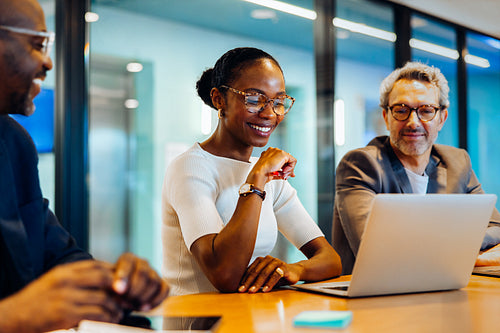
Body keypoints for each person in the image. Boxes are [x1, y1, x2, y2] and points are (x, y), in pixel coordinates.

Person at [0, 1, 169, 332]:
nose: (48, 61)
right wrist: (14, 315)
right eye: (36, 44)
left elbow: (57, 256)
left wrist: (114, 282)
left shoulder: (14, 143)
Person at [162, 47, 341, 296]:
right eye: (254, 99)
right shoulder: (191, 167)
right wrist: (256, 178)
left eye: (278, 102)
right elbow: (224, 274)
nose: (269, 114)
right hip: (199, 323)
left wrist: (293, 270)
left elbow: (330, 259)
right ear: (219, 99)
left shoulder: (269, 173)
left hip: (250, 318)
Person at [332, 61, 500, 275]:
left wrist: (456, 251)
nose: (413, 122)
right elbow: (374, 250)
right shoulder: (361, 164)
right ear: (386, 117)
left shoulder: (457, 162)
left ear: (441, 118)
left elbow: (496, 228)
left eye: (426, 111)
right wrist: (465, 249)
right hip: (375, 295)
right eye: (401, 110)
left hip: (443, 287)